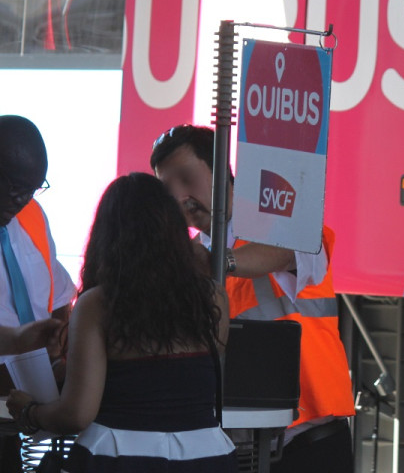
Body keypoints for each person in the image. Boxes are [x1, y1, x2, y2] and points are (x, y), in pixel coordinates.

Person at [150, 124, 355, 473]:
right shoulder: (189, 258)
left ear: (220, 170)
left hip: (309, 439)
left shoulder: (283, 222)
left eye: (186, 178)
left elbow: (291, 251)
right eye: (167, 187)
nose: (179, 196)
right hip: (239, 447)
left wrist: (220, 263)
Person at [6, 172, 236, 472]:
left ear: (109, 238)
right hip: (206, 456)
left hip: (118, 455)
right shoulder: (214, 297)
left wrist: (30, 412)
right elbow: (178, 377)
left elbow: (77, 414)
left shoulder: (99, 304)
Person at [0, 114, 76, 472]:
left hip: (28, 409)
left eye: (32, 188)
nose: (20, 199)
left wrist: (61, 333)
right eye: (12, 185)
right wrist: (19, 341)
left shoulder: (30, 214)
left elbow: (59, 296)